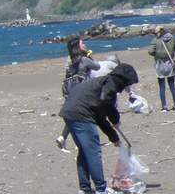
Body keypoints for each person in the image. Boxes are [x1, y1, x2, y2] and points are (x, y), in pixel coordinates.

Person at [59, 63, 139, 194]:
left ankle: (85, 189)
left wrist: (113, 137)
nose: (126, 87)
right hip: (81, 114)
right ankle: (101, 189)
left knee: (84, 152)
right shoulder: (111, 81)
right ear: (123, 79)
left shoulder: (102, 82)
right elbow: (105, 102)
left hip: (70, 112)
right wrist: (115, 119)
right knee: (93, 153)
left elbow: (100, 117)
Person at [58, 36, 101, 151]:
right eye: (82, 44)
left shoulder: (69, 59)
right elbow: (97, 66)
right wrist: (89, 56)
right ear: (77, 47)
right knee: (85, 114)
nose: (85, 45)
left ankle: (63, 137)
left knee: (72, 114)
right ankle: (82, 140)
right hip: (81, 89)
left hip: (69, 89)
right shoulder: (84, 59)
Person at [148, 25, 175, 112]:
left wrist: (157, 53)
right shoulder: (172, 38)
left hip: (160, 63)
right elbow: (174, 48)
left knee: (162, 87)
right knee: (172, 85)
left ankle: (164, 106)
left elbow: (150, 51)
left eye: (156, 33)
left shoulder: (156, 40)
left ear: (160, 32)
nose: (155, 35)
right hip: (169, 62)